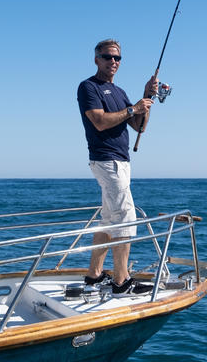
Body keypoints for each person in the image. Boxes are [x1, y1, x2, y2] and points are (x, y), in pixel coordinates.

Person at [77, 38, 158, 297]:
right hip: (106, 159)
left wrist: (146, 98)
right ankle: (121, 282)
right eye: (108, 57)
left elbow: (139, 127)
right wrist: (133, 108)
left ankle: (94, 276)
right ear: (97, 59)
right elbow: (99, 121)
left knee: (109, 220)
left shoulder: (121, 92)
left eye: (118, 58)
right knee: (126, 217)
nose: (113, 61)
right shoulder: (89, 87)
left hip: (121, 161)